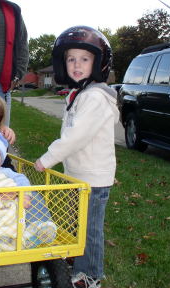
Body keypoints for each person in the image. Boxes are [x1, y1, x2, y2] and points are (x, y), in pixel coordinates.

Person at [34, 26, 119, 288]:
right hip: (80, 176)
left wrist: (46, 159)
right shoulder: (80, 94)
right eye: (71, 59)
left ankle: (90, 276)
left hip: (92, 178)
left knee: (89, 229)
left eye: (85, 58)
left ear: (98, 63)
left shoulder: (94, 97)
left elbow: (75, 138)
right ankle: (79, 260)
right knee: (78, 223)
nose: (77, 64)